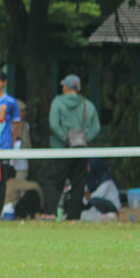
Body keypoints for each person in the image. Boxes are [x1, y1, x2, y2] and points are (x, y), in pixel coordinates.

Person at [41, 74, 101, 221]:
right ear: (79, 88)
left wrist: (66, 140)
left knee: (53, 181)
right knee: (78, 184)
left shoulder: (57, 102)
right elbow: (96, 128)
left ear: (65, 87)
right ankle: (74, 217)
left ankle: (50, 213)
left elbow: (54, 124)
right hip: (81, 151)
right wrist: (83, 140)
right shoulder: (88, 104)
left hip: (60, 151)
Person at [0, 69, 21, 215]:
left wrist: (12, 144)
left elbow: (16, 124)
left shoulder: (10, 102)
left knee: (0, 180)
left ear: (4, 83)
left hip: (3, 145)